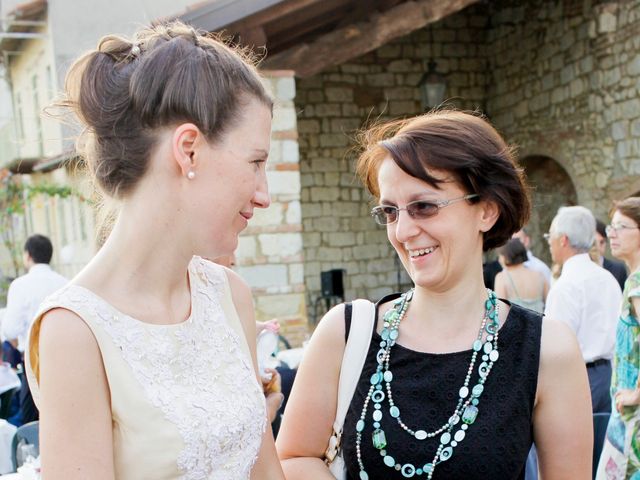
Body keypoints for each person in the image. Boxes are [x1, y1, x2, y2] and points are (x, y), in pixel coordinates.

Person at [25, 22, 284, 479]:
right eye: (256, 163)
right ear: (189, 150)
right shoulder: (75, 330)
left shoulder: (230, 297)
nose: (265, 195)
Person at [276, 110, 592, 479]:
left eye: (423, 206)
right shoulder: (346, 333)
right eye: (391, 212)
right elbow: (294, 457)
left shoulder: (546, 350)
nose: (404, 231)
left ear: (486, 210)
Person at [544, 206, 622, 414]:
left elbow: (556, 350)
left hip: (577, 378)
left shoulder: (566, 286)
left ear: (563, 240)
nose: (549, 242)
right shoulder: (608, 279)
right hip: (610, 377)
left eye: (550, 235)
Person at [2, 234, 67, 425]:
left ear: (28, 255)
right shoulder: (64, 282)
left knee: (32, 419)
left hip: (34, 360)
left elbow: (10, 330)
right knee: (61, 415)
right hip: (64, 358)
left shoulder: (20, 285)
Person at [596, 197, 640, 478]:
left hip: (633, 415)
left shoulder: (637, 282)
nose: (612, 233)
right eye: (611, 226)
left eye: (621, 226)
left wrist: (637, 394)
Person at [494, 238, 548, 313]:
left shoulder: (502, 278)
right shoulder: (539, 275)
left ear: (507, 257)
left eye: (500, 256)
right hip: (540, 323)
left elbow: (501, 311)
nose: (499, 260)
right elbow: (549, 304)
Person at [595, 219, 628, 291]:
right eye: (594, 243)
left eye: (602, 242)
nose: (598, 247)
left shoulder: (618, 269)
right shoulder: (578, 269)